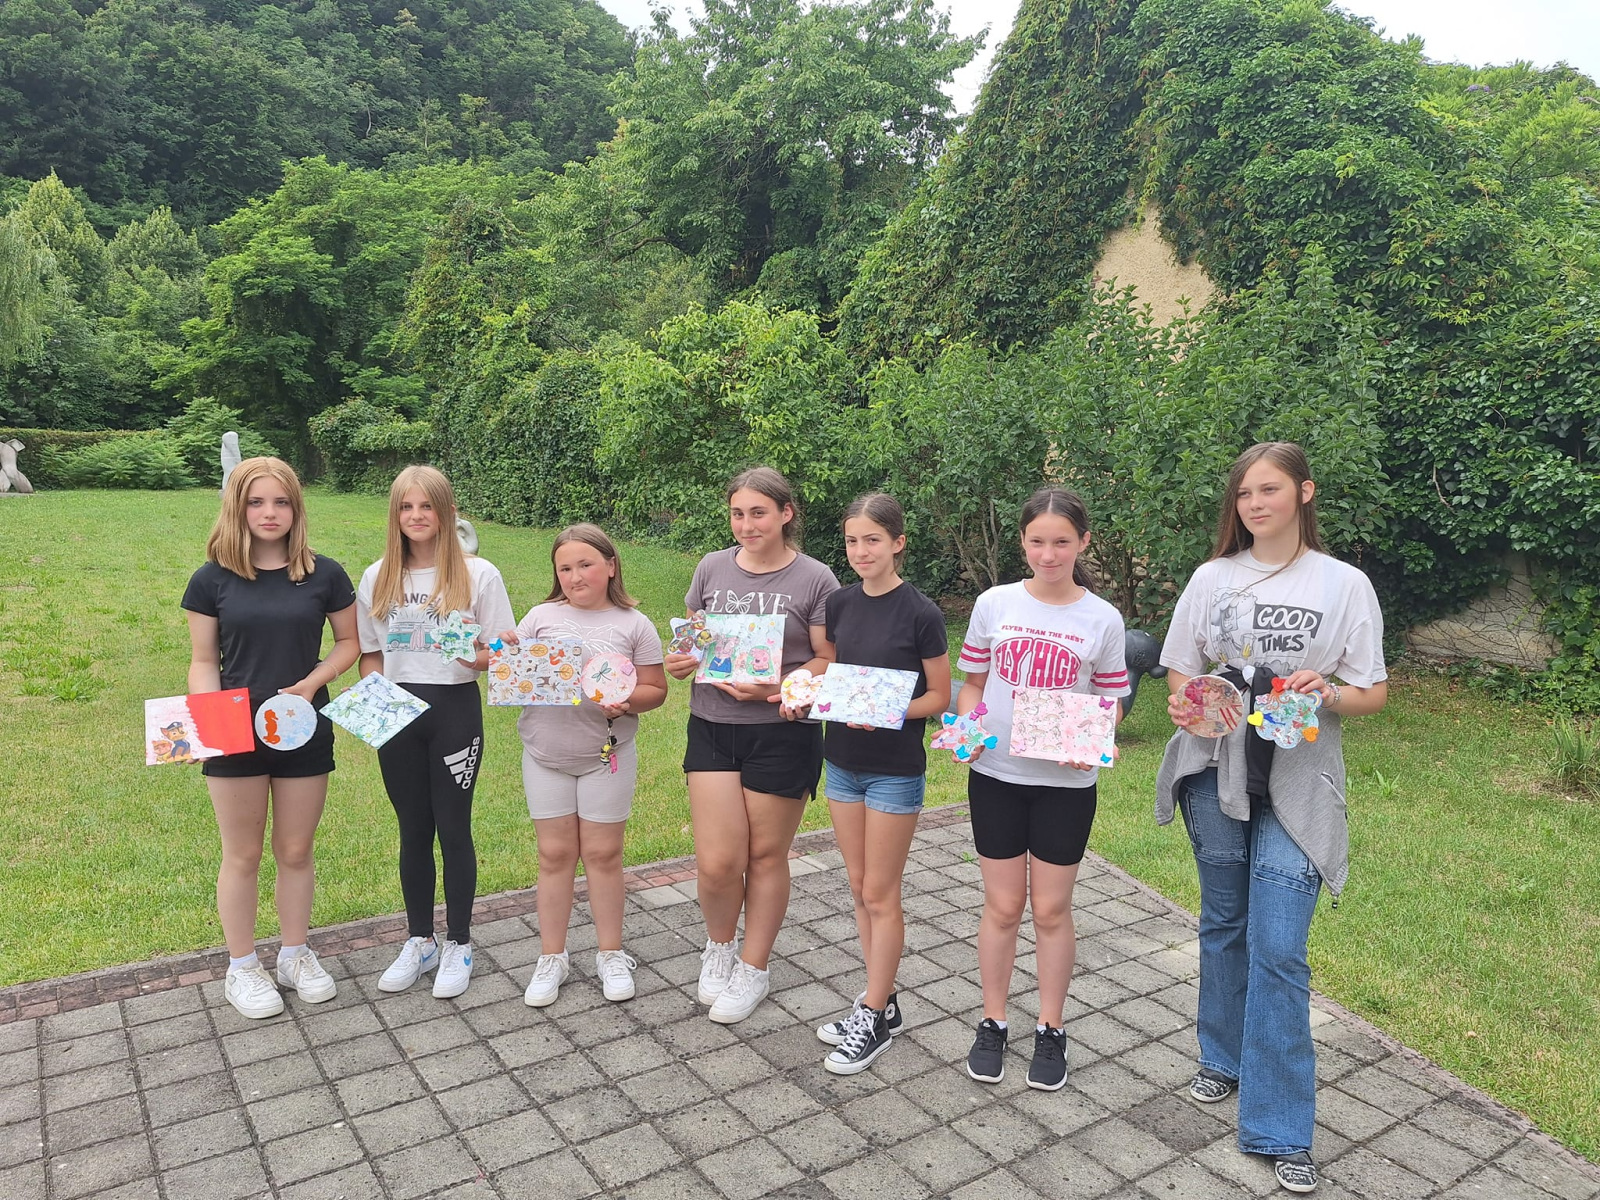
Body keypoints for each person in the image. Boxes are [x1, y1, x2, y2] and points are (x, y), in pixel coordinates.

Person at [1156, 442, 1387, 1195]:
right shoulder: (1212, 577)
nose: (1255, 504)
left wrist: (1328, 692)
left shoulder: (1343, 583)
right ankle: (1221, 1057)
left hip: (1298, 781)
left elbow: (1372, 692)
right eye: (1244, 493)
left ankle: (1281, 1126)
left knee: (1280, 947)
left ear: (1304, 493)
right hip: (1215, 774)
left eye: (1270, 490)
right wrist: (1192, 699)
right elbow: (1181, 669)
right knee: (1224, 923)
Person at [954, 487, 1130, 1090]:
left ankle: (1051, 1028)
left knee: (1052, 910)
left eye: (1061, 542)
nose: (1048, 554)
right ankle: (993, 1021)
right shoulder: (994, 604)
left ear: (1083, 542)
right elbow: (972, 685)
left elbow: (1112, 700)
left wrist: (1092, 736)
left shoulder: (1103, 619)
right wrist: (970, 729)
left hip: (1065, 785)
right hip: (996, 777)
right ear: (1023, 542)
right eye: (1037, 542)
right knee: (1003, 907)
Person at [182, 457, 359, 1020]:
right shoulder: (211, 579)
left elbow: (349, 643)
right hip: (234, 732)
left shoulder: (325, 574)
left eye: (281, 502)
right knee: (243, 853)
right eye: (256, 502)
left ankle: (294, 955)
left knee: (296, 850)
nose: (269, 512)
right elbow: (203, 660)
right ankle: (242, 967)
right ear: (237, 507)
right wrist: (211, 723)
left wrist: (311, 684)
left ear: (296, 508)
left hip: (302, 726)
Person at [664, 467, 839, 1024]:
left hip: (782, 731)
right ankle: (719, 946)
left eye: (758, 513)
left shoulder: (816, 578)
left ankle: (753, 966)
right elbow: (691, 640)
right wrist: (680, 660)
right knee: (718, 862)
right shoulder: (711, 567)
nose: (746, 525)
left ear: (786, 514)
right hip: (713, 724)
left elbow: (829, 658)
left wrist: (779, 686)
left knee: (765, 857)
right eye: (738, 514)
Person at [800, 494, 950, 1074]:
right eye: (852, 541)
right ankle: (879, 1001)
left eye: (872, 540)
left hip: (894, 770)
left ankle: (873, 1016)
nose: (861, 551)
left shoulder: (921, 612)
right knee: (860, 888)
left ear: (897, 543)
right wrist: (807, 692)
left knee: (882, 895)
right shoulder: (839, 603)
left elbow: (939, 697)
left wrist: (887, 712)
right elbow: (834, 671)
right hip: (841, 761)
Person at [356, 465, 514, 1000]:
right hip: (397, 713)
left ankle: (459, 942)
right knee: (412, 829)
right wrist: (372, 697)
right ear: (394, 514)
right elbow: (371, 653)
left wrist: (480, 657)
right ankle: (419, 939)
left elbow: (502, 649)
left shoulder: (478, 574)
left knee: (452, 827)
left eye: (427, 506)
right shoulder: (377, 576)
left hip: (454, 711)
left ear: (447, 513)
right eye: (406, 507)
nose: (416, 516)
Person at [504, 524, 667, 1007]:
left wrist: (627, 701)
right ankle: (551, 956)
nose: (575, 576)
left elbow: (656, 690)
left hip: (606, 758)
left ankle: (610, 953)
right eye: (565, 568)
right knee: (554, 855)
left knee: (603, 854)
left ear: (611, 566)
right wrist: (503, 653)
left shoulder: (634, 624)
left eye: (586, 565)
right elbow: (511, 672)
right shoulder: (541, 617)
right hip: (546, 755)